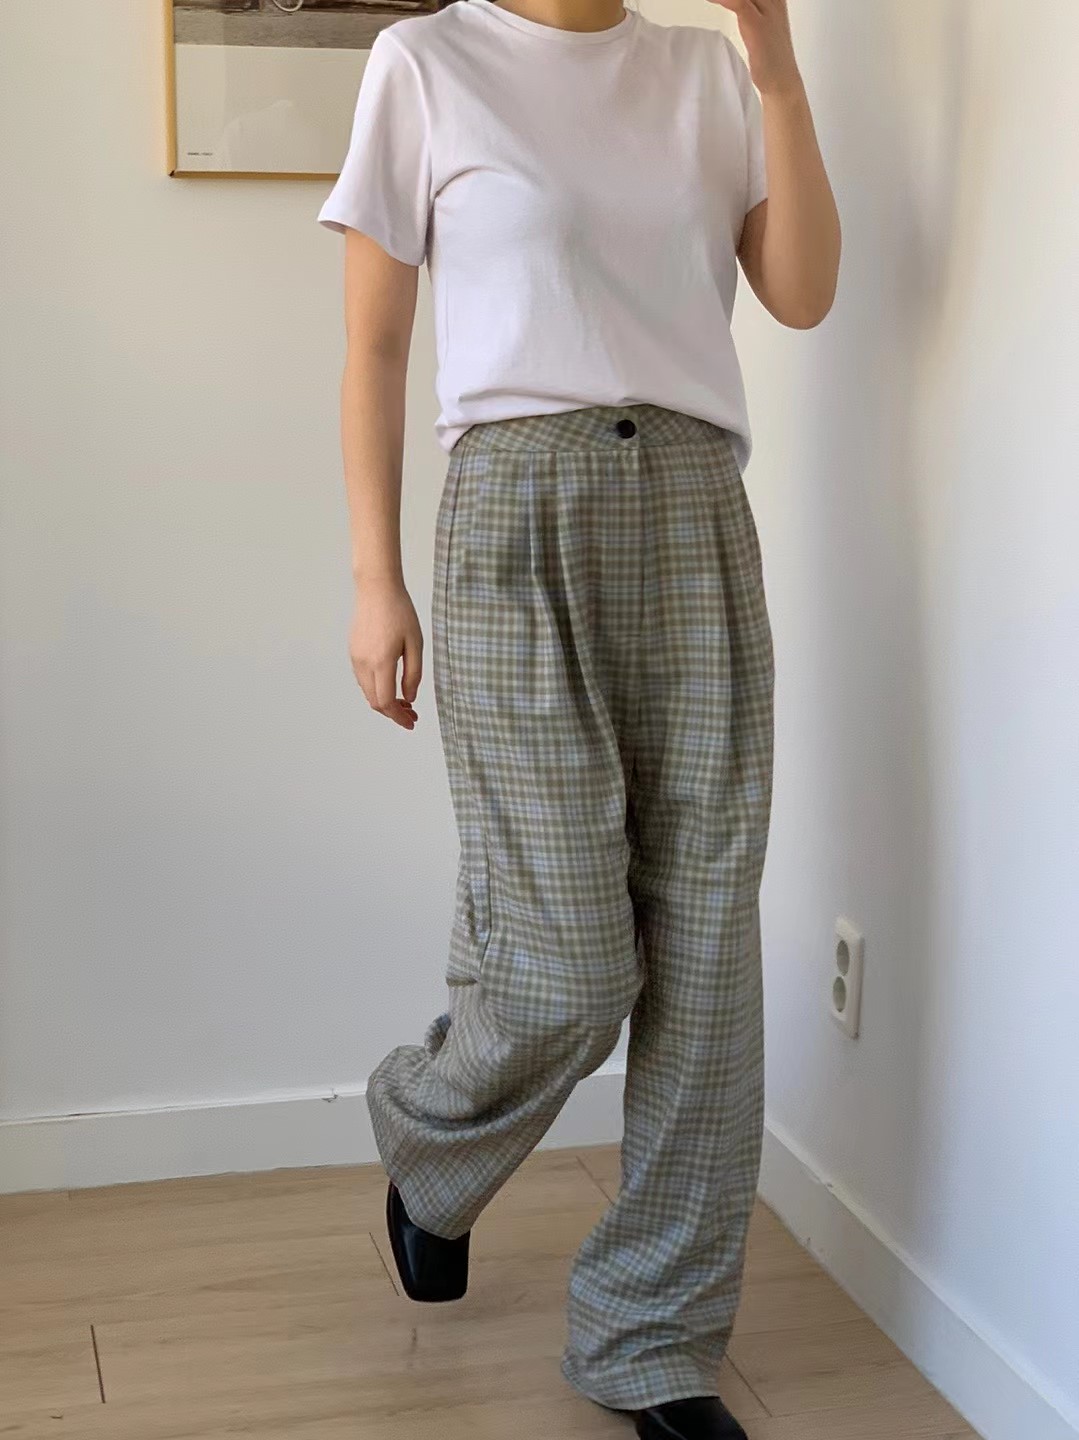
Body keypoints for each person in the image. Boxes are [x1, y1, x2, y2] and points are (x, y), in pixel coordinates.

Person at [317, 0, 839, 1434]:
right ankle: (430, 1140)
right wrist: (375, 580)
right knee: (564, 969)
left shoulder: (705, 72)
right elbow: (374, 346)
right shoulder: (427, 64)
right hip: (514, 519)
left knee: (707, 947)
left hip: (695, 512)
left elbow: (802, 294)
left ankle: (652, 1340)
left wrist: (778, 69)